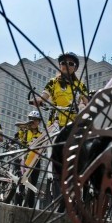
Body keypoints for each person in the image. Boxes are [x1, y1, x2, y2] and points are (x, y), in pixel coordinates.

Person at [34, 52, 89, 212]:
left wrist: (85, 106)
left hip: (73, 126)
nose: (67, 65)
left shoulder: (80, 85)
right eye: (64, 63)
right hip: (57, 125)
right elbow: (44, 96)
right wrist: (38, 101)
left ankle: (74, 198)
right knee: (57, 164)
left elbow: (87, 102)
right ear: (60, 65)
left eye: (71, 64)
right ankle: (60, 200)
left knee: (74, 162)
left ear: (75, 68)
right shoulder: (53, 83)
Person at [15, 111, 43, 208]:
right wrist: (24, 127)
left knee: (32, 185)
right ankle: (17, 204)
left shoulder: (42, 134)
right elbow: (17, 132)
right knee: (21, 183)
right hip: (24, 159)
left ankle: (30, 207)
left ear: (39, 122)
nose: (33, 121)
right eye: (31, 119)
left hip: (35, 161)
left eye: (36, 120)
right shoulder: (24, 130)